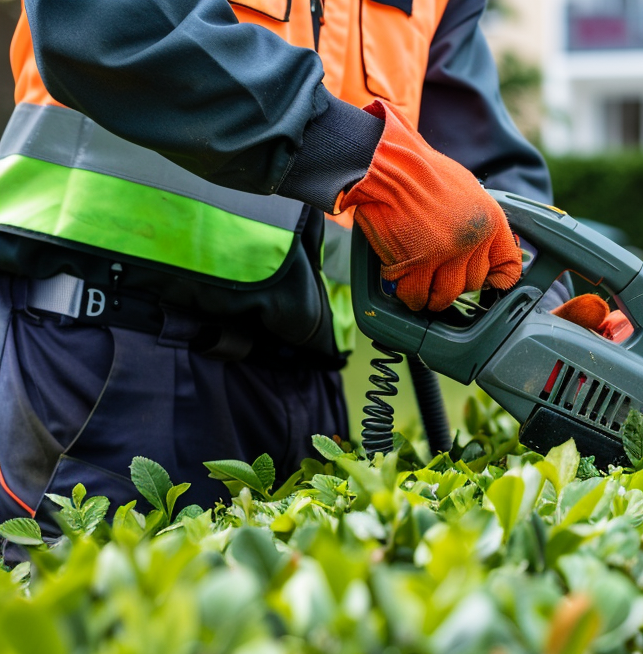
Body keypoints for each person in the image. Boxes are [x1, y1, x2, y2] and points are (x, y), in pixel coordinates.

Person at [0, 0, 548, 534]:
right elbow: (103, 25)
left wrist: (550, 304)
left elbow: (480, 163)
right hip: (103, 358)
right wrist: (362, 161)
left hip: (309, 389)